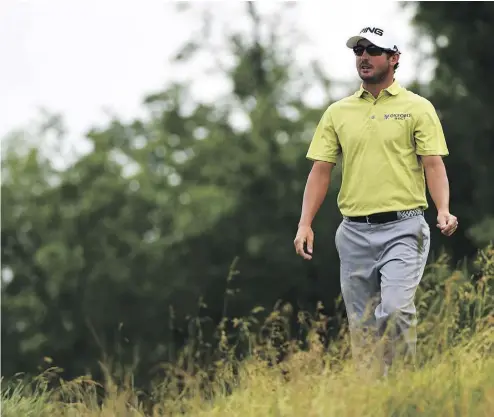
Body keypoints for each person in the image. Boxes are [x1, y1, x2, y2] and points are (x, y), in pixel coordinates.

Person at [293, 25, 458, 376]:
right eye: (358, 51)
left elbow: (433, 164)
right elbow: (320, 171)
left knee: (396, 310)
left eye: (372, 50)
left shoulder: (417, 107)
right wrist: (305, 223)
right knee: (363, 326)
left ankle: (403, 387)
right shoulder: (338, 112)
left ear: (394, 58)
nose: (364, 57)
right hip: (353, 233)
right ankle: (374, 400)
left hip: (405, 226)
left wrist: (442, 209)